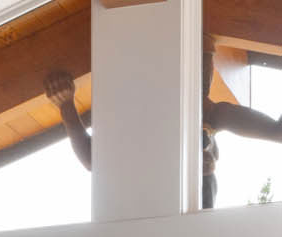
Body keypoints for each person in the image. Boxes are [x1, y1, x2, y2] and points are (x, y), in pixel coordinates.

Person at [47, 58, 282, 207]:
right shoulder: (201, 116)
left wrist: (66, 105)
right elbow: (93, 160)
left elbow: (93, 160)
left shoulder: (205, 115)